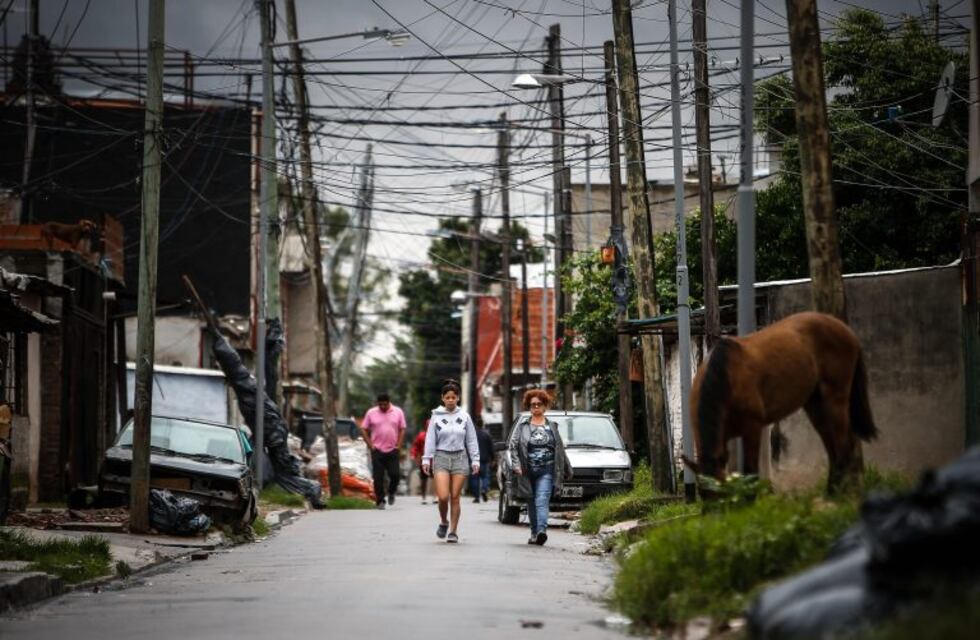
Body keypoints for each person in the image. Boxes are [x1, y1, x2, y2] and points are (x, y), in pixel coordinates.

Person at [507, 389, 571, 546]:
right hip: (526, 471)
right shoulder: (523, 426)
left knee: (541, 500)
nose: (535, 407)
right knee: (531, 502)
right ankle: (534, 533)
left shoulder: (552, 427)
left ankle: (542, 531)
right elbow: (513, 446)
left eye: (538, 404)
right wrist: (516, 465)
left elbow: (560, 450)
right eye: (532, 405)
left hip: (546, 470)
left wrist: (567, 469)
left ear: (545, 406)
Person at [421, 379, 479, 543]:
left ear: (458, 398)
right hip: (441, 457)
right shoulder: (436, 417)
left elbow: (471, 440)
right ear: (443, 398)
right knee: (443, 496)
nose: (451, 400)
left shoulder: (465, 416)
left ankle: (453, 531)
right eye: (448, 397)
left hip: (460, 458)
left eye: (454, 397)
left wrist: (475, 460)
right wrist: (427, 459)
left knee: (455, 496)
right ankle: (444, 521)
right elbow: (430, 439)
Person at [361, 393, 407, 509]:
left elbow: (402, 429)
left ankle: (391, 492)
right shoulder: (371, 412)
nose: (382, 406)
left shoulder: (398, 412)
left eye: (384, 404)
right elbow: (363, 428)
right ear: (377, 403)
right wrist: (370, 445)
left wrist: (399, 445)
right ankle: (380, 501)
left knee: (395, 475)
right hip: (377, 450)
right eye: (380, 404)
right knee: (378, 478)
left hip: (393, 450)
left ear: (389, 402)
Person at [469, 424, 495, 503]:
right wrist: (493, 459)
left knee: (475, 478)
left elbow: (468, 447)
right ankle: (484, 489)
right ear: (482, 425)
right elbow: (491, 447)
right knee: (485, 477)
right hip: (484, 459)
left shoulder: (472, 436)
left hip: (474, 459)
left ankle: (477, 497)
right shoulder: (486, 435)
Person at [410, 421, 430, 504]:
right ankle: (423, 496)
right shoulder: (421, 436)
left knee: (437, 478)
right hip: (424, 460)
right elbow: (415, 446)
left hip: (436, 460)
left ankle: (436, 496)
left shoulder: (438, 435)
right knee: (424, 479)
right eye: (428, 426)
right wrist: (413, 454)